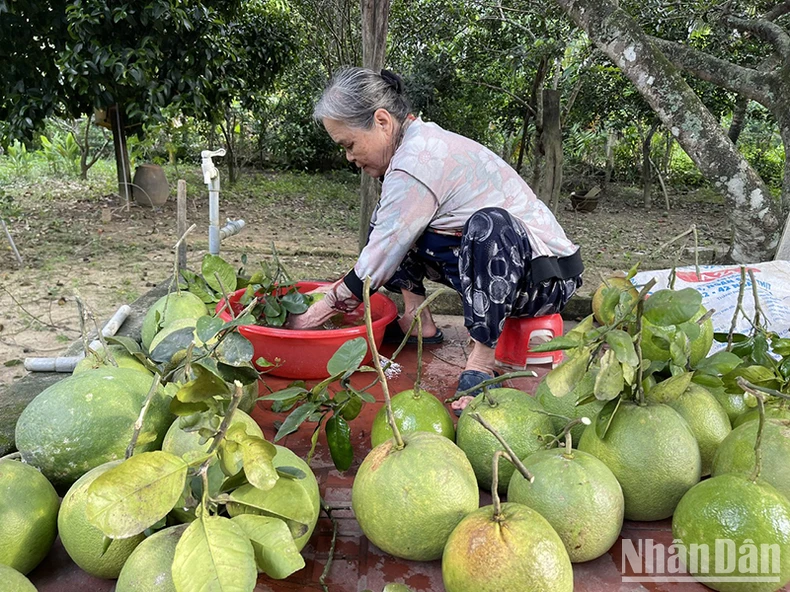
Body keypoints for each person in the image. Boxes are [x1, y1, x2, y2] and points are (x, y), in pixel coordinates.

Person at [286, 66, 583, 412]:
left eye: (349, 144)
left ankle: (481, 362)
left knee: (489, 227)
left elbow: (381, 254)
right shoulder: (411, 150)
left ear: (382, 121)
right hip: (506, 269)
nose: (349, 157)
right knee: (390, 222)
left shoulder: (417, 159)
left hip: (545, 280)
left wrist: (324, 308)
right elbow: (386, 238)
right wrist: (338, 290)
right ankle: (417, 321)